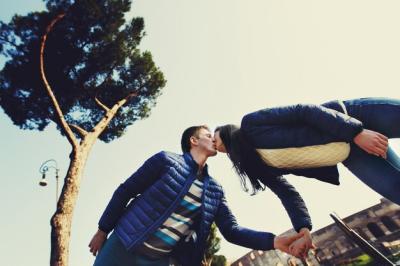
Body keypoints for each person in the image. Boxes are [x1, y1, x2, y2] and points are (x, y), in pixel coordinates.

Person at [89, 125, 305, 266]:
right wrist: (102, 230)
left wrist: (274, 241)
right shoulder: (165, 161)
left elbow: (231, 231)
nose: (214, 139)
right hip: (122, 246)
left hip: (158, 261)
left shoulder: (214, 190)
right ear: (194, 140)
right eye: (208, 135)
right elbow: (125, 190)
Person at [214, 97, 400, 257]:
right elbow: (286, 192)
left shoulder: (251, 124)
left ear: (226, 131)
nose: (213, 142)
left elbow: (303, 111)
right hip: (350, 152)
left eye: (213, 135)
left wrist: (357, 132)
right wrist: (303, 228)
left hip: (351, 118)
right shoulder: (257, 165)